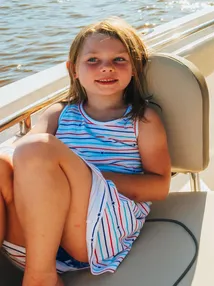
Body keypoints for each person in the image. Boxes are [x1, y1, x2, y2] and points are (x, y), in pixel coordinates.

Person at [0, 18, 171, 286]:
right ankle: (39, 266)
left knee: (39, 148)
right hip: (33, 242)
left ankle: (42, 279)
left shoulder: (143, 120)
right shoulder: (58, 114)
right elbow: (20, 158)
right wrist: (56, 182)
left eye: (119, 59)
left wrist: (82, 179)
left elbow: (160, 186)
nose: (106, 67)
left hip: (97, 236)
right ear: (73, 70)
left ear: (135, 68)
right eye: (93, 60)